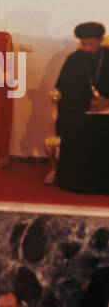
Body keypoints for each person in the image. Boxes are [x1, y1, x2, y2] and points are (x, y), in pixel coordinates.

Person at [55, 21, 109, 193]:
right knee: (76, 125)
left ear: (100, 41)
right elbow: (65, 87)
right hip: (79, 110)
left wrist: (106, 101)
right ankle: (76, 183)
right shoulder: (74, 60)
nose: (86, 48)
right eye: (84, 44)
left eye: (91, 44)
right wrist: (87, 102)